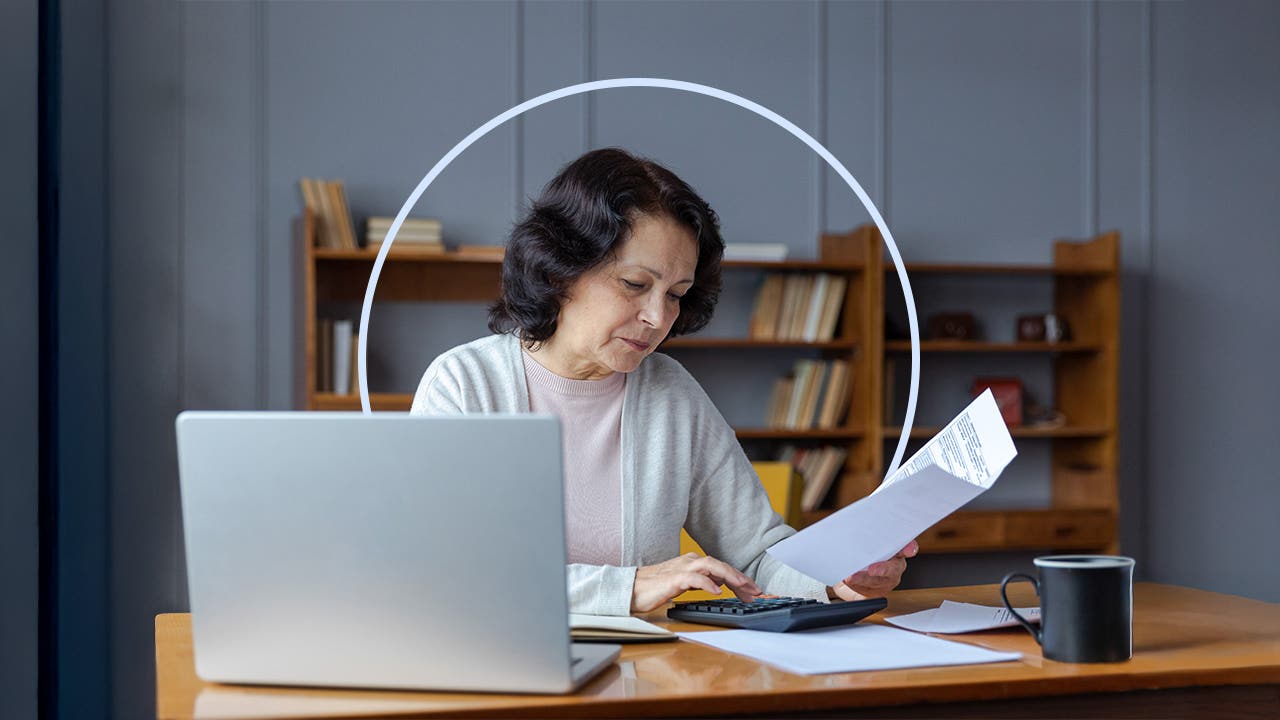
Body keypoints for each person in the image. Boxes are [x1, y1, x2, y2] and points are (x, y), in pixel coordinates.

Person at [411, 148, 916, 615]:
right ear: (560, 271)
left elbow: (757, 559)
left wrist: (839, 579)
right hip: (499, 675)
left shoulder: (671, 392)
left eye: (676, 294)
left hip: (644, 679)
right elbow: (449, 573)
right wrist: (629, 587)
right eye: (635, 285)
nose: (657, 317)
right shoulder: (465, 385)